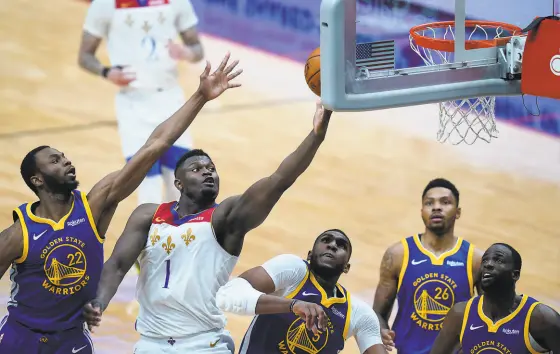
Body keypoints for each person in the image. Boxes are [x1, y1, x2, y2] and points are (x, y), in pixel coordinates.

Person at [0, 54, 241, 354]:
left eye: (64, 156)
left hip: (71, 341)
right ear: (37, 180)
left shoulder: (94, 207)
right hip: (18, 339)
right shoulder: (17, 235)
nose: (67, 161)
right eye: (55, 161)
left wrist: (200, 96)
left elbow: (155, 146)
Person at [82, 101, 333, 353]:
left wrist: (316, 137)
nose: (208, 172)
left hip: (204, 344)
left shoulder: (225, 218)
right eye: (197, 169)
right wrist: (99, 302)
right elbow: (116, 265)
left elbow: (278, 181)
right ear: (178, 183)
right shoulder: (148, 215)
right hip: (150, 343)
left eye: (211, 168)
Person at [78, 0, 208, 206]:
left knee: (183, 182)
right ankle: (148, 237)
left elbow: (197, 49)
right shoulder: (105, 4)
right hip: (133, 104)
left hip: (170, 101)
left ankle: (176, 235)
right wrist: (106, 72)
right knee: (148, 185)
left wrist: (186, 53)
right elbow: (84, 56)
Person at [217, 229, 388, 354]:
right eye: (326, 240)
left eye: (341, 245)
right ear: (309, 254)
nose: (332, 245)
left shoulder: (359, 313)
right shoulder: (293, 270)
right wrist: (293, 305)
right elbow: (228, 294)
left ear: (347, 267)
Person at [372, 178, 484, 353]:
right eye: (429, 203)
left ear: (458, 212)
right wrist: (381, 332)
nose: (436, 207)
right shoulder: (398, 254)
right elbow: (378, 314)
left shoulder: (475, 259)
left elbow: (493, 317)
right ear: (422, 211)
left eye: (445, 202)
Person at [430, 243, 560, 354]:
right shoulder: (460, 314)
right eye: (485, 261)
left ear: (515, 275)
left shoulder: (541, 319)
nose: (488, 265)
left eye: (498, 261)